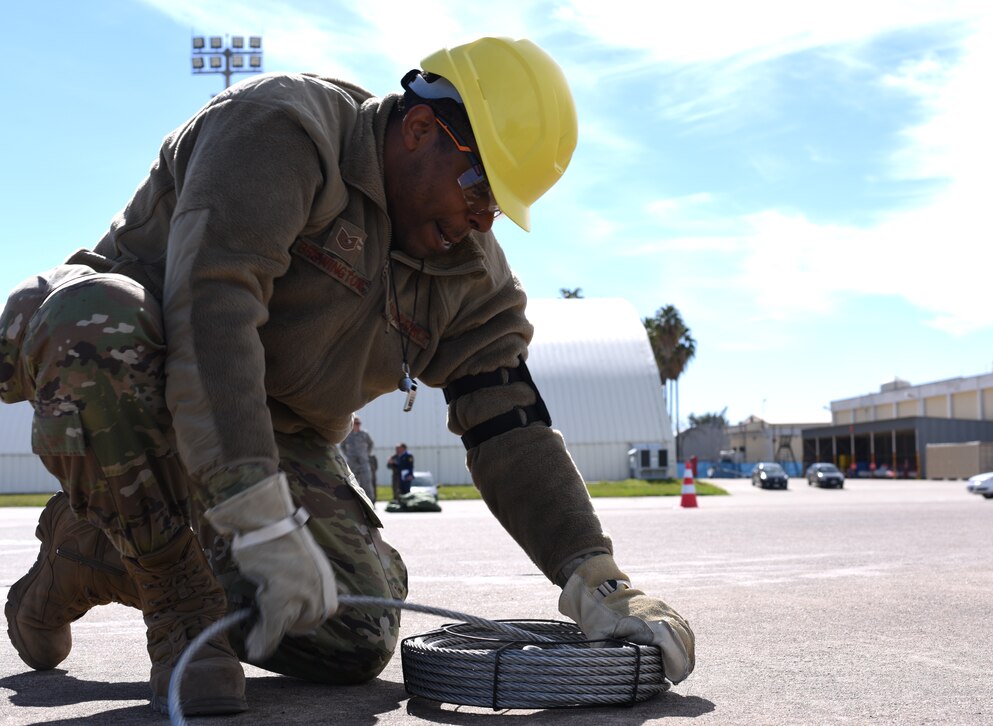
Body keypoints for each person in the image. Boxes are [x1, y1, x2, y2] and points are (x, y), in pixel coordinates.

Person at [0, 36, 695, 717]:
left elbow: (508, 422)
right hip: (144, 363)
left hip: (283, 432)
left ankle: (90, 549)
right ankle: (176, 597)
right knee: (93, 321)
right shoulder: (286, 129)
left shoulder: (469, 270)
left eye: (500, 208)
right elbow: (212, 311)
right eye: (481, 188)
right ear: (421, 128)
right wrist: (257, 517)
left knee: (352, 637)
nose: (484, 219)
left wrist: (594, 579)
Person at [340, 416, 376, 502]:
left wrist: (367, 454)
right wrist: (347, 454)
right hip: (352, 463)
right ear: (352, 424)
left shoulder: (364, 434)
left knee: (366, 482)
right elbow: (342, 446)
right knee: (352, 483)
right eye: (356, 423)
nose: (358, 425)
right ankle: (354, 503)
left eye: (359, 423)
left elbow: (371, 444)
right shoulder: (347, 434)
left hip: (363, 462)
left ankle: (371, 502)